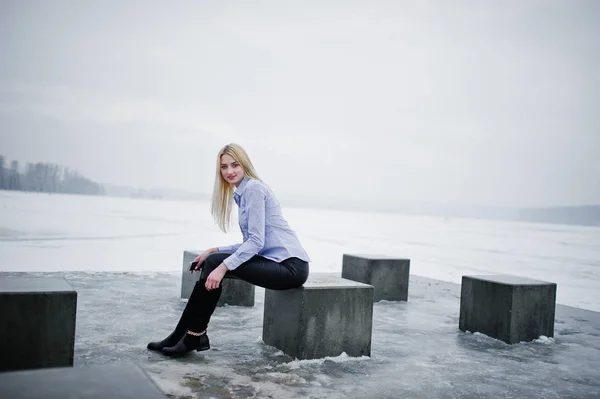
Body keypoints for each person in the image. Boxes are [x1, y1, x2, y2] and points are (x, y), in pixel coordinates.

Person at [147, 143, 310, 357]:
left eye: (235, 165)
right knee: (213, 260)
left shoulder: (253, 189)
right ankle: (182, 335)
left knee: (216, 263)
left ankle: (192, 336)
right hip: (278, 263)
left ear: (244, 165)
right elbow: (250, 242)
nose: (229, 171)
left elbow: (255, 242)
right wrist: (213, 250)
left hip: (290, 267)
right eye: (224, 167)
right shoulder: (244, 192)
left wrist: (223, 266)